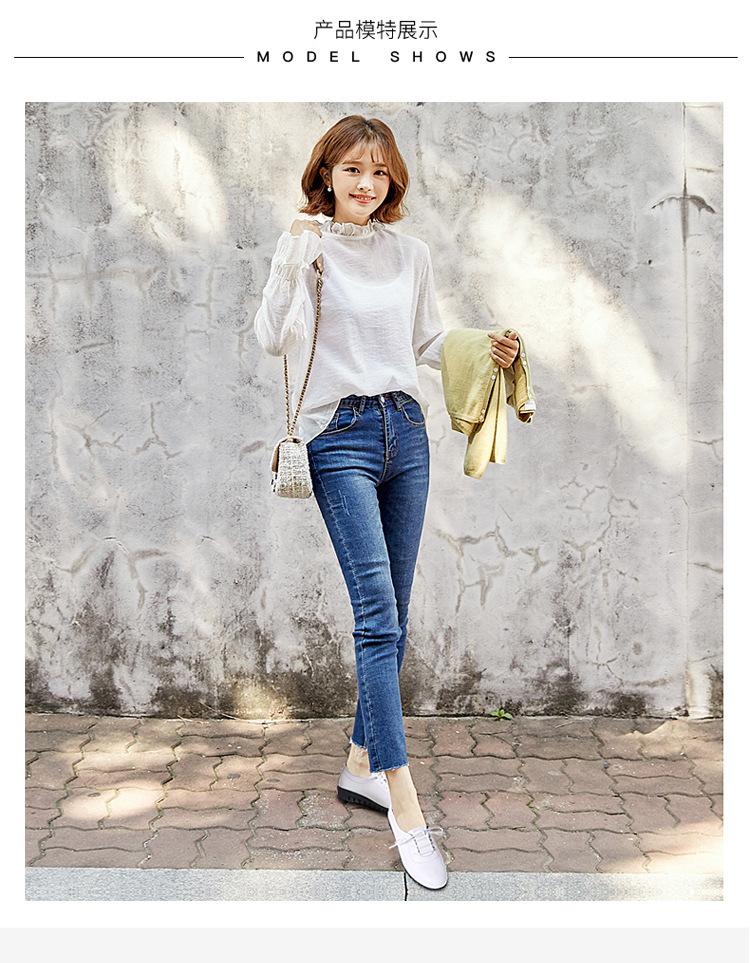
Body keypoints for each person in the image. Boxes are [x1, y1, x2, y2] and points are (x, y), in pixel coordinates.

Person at [253, 115, 519, 889]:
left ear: (391, 178)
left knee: (395, 612)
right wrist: (292, 255)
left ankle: (360, 763)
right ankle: (405, 806)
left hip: (407, 429)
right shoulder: (306, 247)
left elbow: (428, 342)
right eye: (352, 169)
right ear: (326, 175)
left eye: (379, 171)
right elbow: (270, 336)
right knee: (376, 615)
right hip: (338, 438)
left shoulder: (411, 254)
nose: (366, 183)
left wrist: (486, 346)